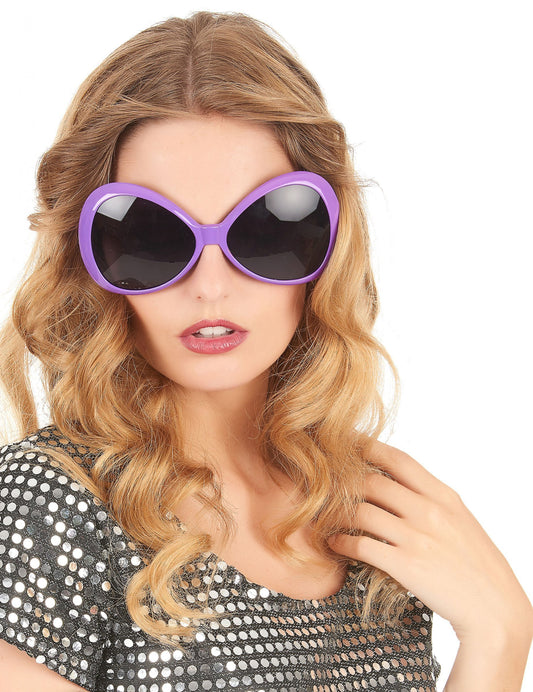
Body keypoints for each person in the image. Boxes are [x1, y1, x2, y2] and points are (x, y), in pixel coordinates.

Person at [0, 10, 531, 692]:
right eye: (151, 237)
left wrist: (499, 635)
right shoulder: (49, 504)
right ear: (88, 255)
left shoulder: (371, 518)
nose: (210, 286)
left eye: (264, 229)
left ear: (328, 242)